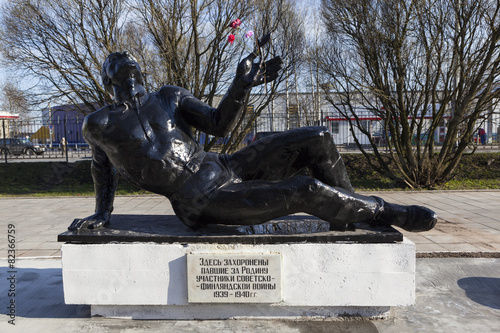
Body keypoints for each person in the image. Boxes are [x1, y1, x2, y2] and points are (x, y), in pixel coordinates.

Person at [69, 36, 437, 232]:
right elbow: (101, 170)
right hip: (201, 198)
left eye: (129, 57)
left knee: (320, 137)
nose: (124, 58)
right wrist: (102, 213)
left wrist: (242, 84)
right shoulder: (99, 124)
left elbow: (218, 123)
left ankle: (347, 213)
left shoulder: (168, 96)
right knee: (302, 190)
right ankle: (384, 211)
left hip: (225, 165)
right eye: (115, 59)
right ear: (108, 78)